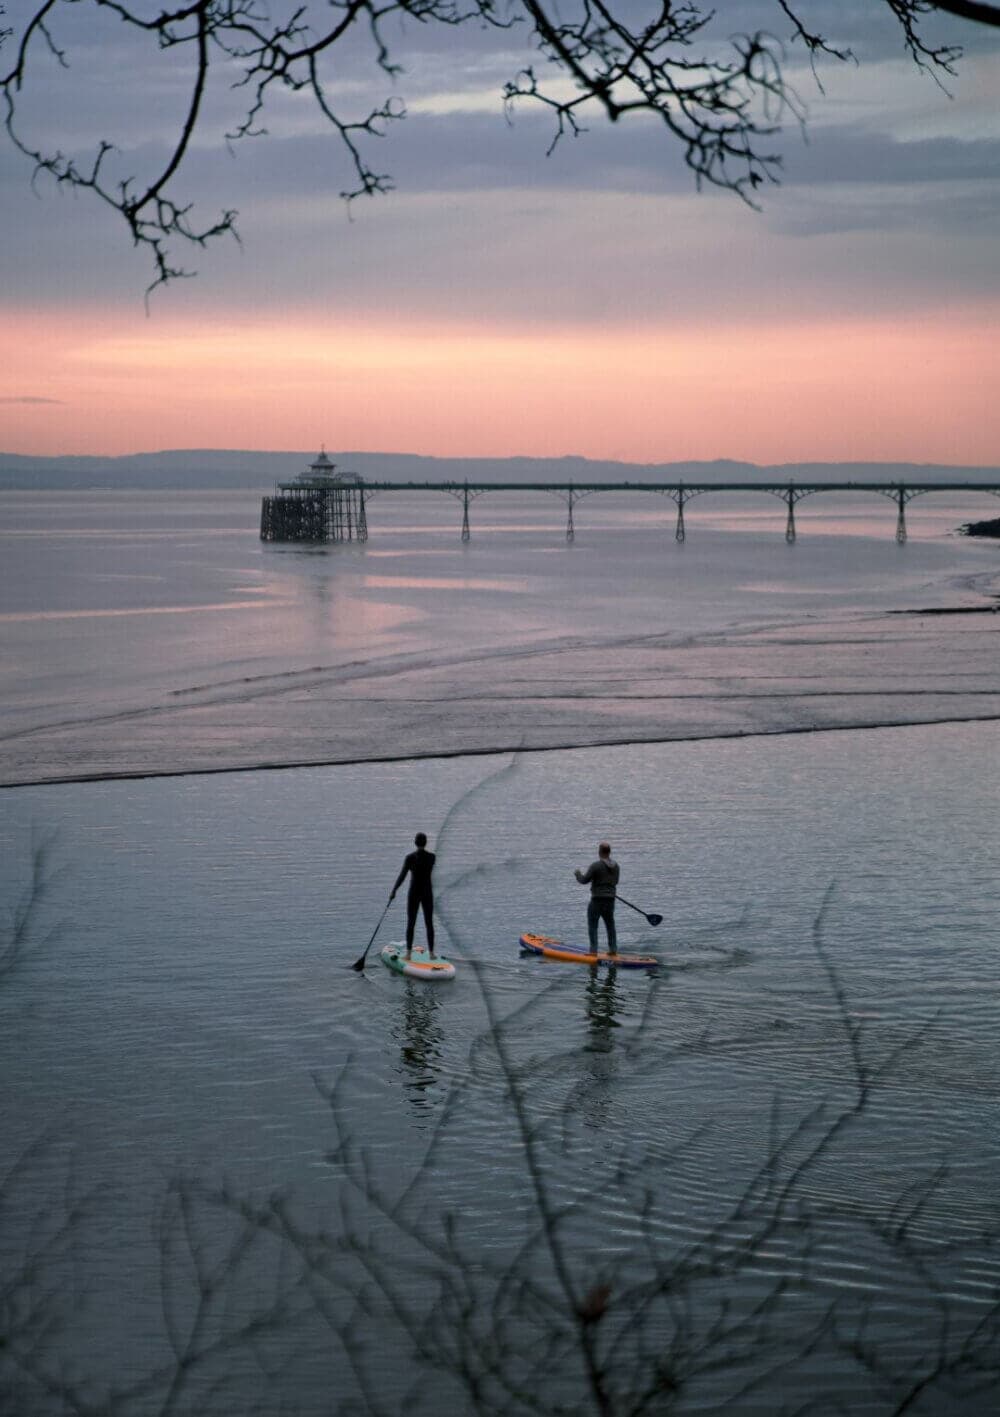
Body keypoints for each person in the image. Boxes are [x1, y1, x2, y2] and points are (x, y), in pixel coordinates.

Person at [391, 832, 436, 959]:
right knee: (429, 923)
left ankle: (409, 954)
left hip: (414, 893)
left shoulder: (410, 858)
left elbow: (402, 876)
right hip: (427, 893)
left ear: (415, 843)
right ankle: (432, 953)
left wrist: (394, 890)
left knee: (411, 923)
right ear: (426, 842)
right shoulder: (432, 857)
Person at [575, 842, 620, 955]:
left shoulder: (596, 865)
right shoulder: (617, 866)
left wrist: (577, 874)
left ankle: (593, 951)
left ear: (599, 852)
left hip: (597, 900)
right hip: (610, 900)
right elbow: (615, 882)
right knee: (610, 925)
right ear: (609, 852)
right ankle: (613, 950)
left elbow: (584, 880)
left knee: (593, 925)